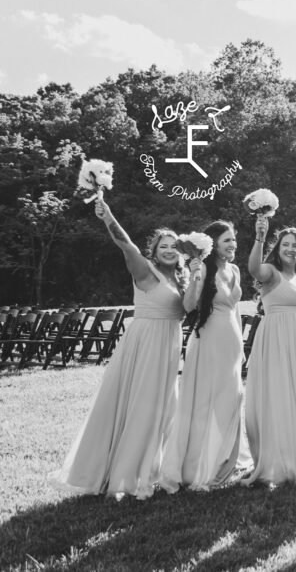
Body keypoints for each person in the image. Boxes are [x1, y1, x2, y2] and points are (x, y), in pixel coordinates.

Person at [52, 200, 185, 499]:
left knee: (165, 409)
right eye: (163, 246)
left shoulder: (181, 278)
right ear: (155, 250)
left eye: (174, 247)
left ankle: (156, 469)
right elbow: (127, 246)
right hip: (147, 343)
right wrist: (108, 216)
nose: (169, 250)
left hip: (169, 347)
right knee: (141, 406)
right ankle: (124, 477)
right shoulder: (146, 271)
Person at [162, 220, 247, 492]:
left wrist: (241, 349)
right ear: (213, 245)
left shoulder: (233, 269)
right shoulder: (203, 269)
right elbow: (188, 306)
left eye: (233, 239)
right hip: (209, 341)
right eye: (226, 240)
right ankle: (201, 467)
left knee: (230, 401)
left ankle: (225, 461)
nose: (232, 244)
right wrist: (196, 275)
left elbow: (234, 311)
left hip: (232, 345)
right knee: (207, 403)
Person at [244, 218, 296, 486]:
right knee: (279, 395)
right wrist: (260, 237)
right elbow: (254, 268)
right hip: (276, 340)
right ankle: (279, 459)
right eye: (286, 244)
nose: (290, 249)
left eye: (295, 246)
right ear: (278, 248)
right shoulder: (271, 272)